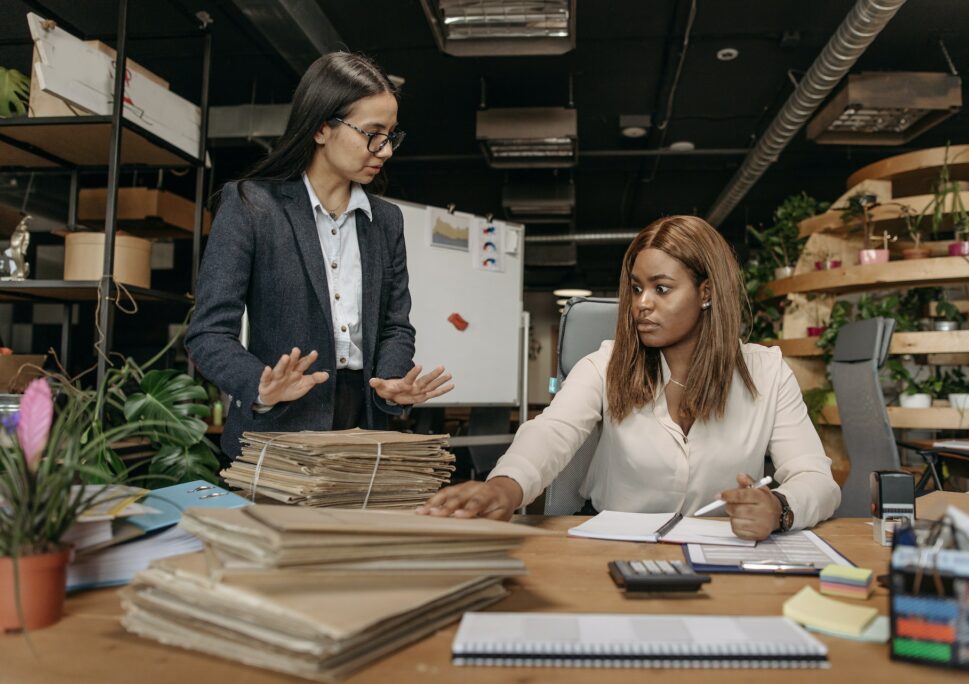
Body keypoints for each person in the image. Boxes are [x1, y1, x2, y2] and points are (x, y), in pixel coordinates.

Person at [417, 216, 840, 540]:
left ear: (707, 292)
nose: (641, 305)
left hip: (720, 555)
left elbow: (816, 479)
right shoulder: (606, 363)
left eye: (661, 288)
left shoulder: (767, 372)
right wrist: (505, 488)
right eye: (636, 289)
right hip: (612, 549)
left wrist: (779, 508)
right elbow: (551, 432)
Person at [186, 52, 452, 458]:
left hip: (364, 429)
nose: (385, 151)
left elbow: (396, 326)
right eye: (372, 133)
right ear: (322, 128)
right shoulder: (251, 206)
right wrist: (260, 383)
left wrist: (392, 380)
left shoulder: (386, 221)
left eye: (392, 136)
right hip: (277, 427)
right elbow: (208, 333)